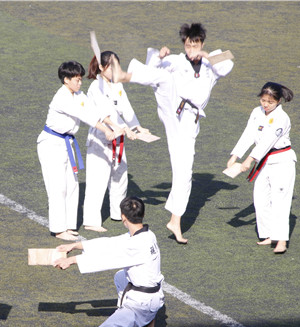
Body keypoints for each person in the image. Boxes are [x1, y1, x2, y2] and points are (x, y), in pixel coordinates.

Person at [112, 23, 234, 244]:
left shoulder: (211, 62)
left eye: (195, 45)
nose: (191, 50)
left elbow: (228, 63)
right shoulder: (177, 60)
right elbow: (151, 70)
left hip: (190, 121)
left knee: (184, 171)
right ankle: (123, 76)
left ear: (202, 43)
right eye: (188, 46)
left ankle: (175, 221)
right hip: (173, 107)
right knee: (165, 78)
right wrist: (159, 57)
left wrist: (205, 55)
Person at [54, 196, 164, 327]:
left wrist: (71, 260)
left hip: (143, 303)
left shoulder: (135, 245)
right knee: (120, 276)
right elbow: (110, 243)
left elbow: (106, 260)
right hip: (152, 294)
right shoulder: (148, 235)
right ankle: (138, 318)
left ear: (123, 217)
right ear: (143, 214)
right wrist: (74, 245)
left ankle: (134, 326)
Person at [37, 61, 126, 241]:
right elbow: (84, 115)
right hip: (51, 144)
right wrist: (106, 131)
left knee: (72, 185)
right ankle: (58, 229)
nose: (80, 83)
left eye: (80, 79)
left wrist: (116, 126)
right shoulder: (61, 97)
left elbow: (94, 110)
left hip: (66, 143)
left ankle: (69, 226)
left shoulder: (78, 94)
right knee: (58, 187)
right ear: (66, 80)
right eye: (77, 80)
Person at [227, 82, 296, 254]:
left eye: (270, 102)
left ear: (278, 101)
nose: (265, 104)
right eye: (263, 100)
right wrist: (235, 156)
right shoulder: (256, 112)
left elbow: (267, 142)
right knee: (260, 199)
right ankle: (269, 234)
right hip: (264, 162)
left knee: (280, 200)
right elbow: (248, 134)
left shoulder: (282, 118)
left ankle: (281, 240)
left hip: (281, 162)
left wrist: (249, 160)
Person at [82, 51, 144, 233]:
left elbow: (126, 108)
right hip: (101, 139)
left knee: (120, 175)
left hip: (118, 137)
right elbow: (104, 115)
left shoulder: (117, 85)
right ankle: (91, 221)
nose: (116, 70)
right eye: (112, 66)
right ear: (102, 67)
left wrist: (137, 127)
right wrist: (123, 128)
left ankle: (118, 213)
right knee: (97, 180)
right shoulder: (95, 87)